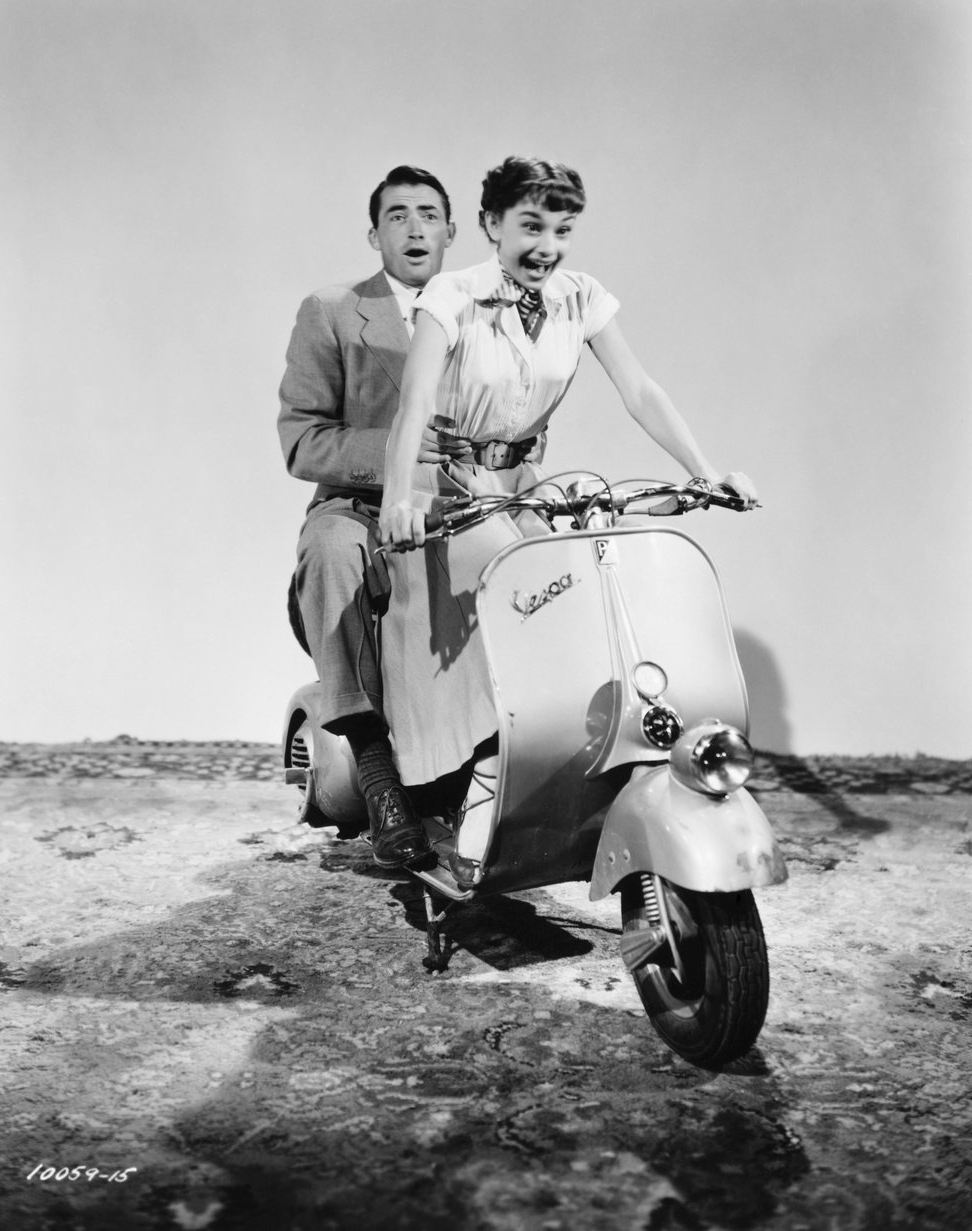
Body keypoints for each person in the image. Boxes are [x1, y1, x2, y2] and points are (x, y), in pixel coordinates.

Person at [378, 155, 758, 797]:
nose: (547, 247)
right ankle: (484, 769)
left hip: (525, 483)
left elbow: (639, 390)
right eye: (531, 227)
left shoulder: (580, 297)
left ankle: (583, 752)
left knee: (595, 570)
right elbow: (413, 403)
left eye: (562, 230)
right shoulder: (452, 297)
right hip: (448, 491)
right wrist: (396, 500)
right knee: (514, 581)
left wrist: (705, 473)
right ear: (491, 224)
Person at [278, 164, 465, 869]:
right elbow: (302, 439)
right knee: (329, 551)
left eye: (428, 213)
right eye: (397, 215)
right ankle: (376, 770)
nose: (415, 227)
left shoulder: (485, 310)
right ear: (373, 233)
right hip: (359, 507)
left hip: (462, 507)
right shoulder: (331, 310)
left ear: (453, 230)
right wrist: (399, 447)